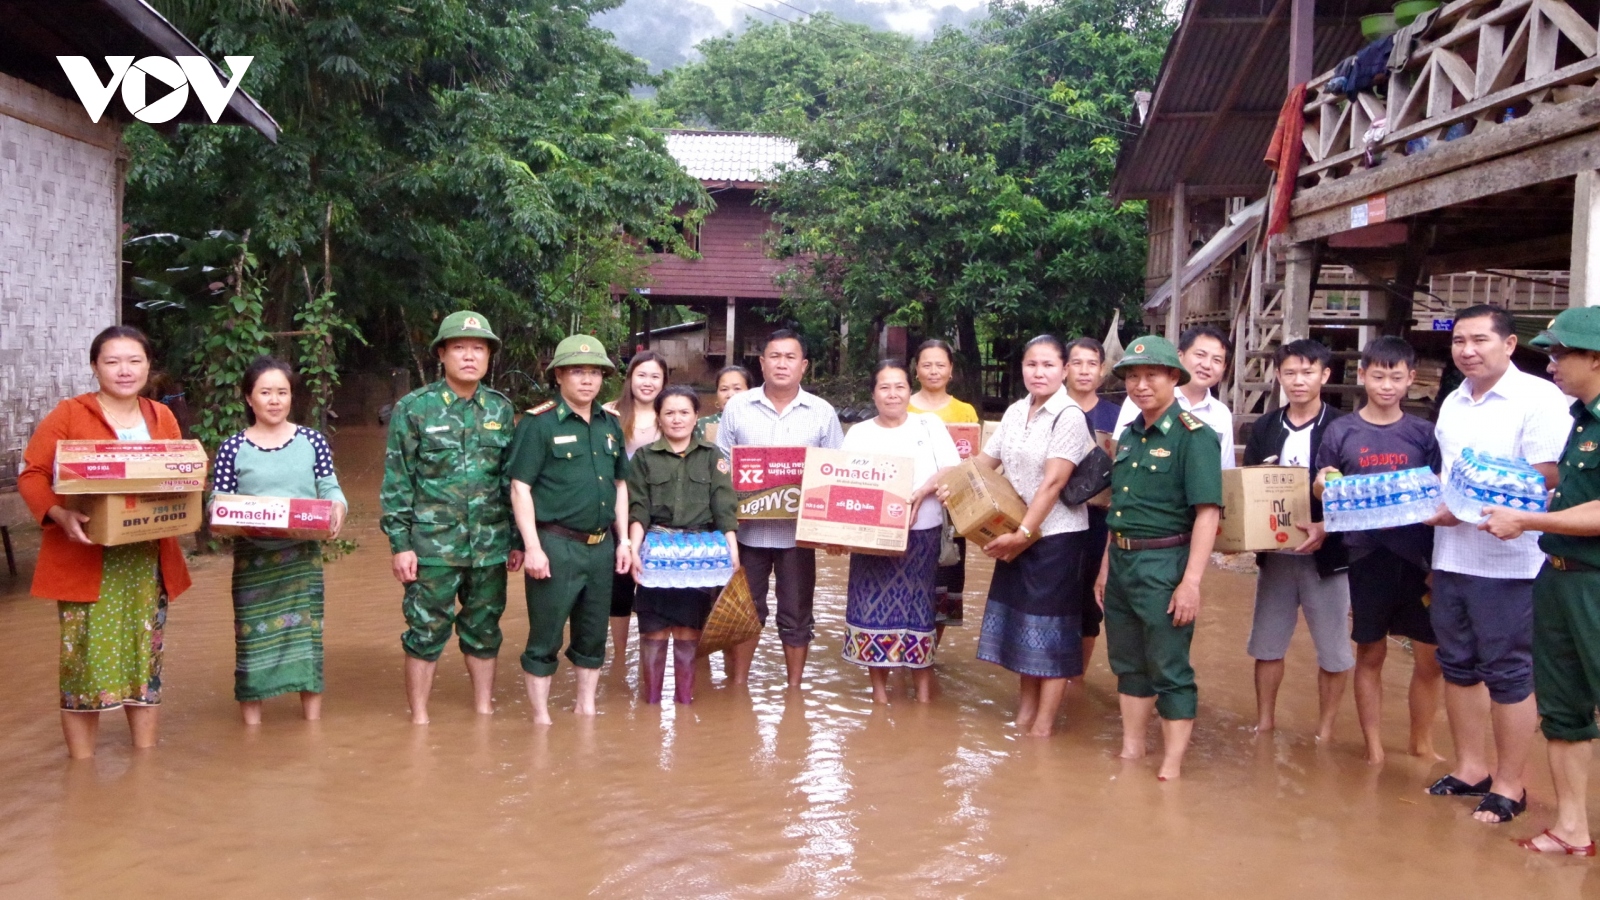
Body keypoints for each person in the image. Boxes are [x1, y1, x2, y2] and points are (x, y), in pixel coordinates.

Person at [1423, 304, 1571, 823]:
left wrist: (1472, 499)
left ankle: (1512, 784)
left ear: (1509, 345)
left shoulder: (1539, 398)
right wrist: (1440, 506)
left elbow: (1548, 474)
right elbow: (1447, 473)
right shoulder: (1454, 402)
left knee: (1509, 671)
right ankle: (1471, 768)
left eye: (1480, 340)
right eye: (1460, 340)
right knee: (1457, 664)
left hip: (1511, 561)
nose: (1467, 350)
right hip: (1453, 555)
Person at [18, 325, 193, 758]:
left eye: (134, 360)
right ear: (95, 366)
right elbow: (32, 473)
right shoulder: (70, 413)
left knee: (144, 662)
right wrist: (58, 513)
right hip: (85, 557)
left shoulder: (161, 417)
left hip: (146, 560)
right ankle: (81, 768)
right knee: (83, 666)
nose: (124, 370)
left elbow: (180, 472)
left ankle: (145, 761)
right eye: (112, 361)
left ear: (149, 366)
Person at [1481, 308, 1600, 855]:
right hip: (1557, 578)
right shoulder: (1580, 417)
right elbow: (1575, 496)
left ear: (1594, 358)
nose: (1550, 364)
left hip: (1594, 583)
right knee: (1563, 710)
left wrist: (1528, 520)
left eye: (1560, 354)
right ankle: (1572, 828)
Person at [380, 311, 522, 725]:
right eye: (459, 347)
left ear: (489, 357)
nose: (469, 356)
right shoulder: (414, 409)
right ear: (441, 354)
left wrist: (515, 539)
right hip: (431, 548)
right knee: (425, 632)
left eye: (478, 348)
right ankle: (420, 718)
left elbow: (509, 482)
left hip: (490, 546)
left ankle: (483, 710)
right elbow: (397, 482)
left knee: (485, 630)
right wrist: (400, 545)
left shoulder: (500, 408)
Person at [1094, 335, 1222, 780]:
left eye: (1151, 375)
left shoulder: (1196, 438)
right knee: (1128, 662)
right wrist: (1105, 569)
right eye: (1132, 376)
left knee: (1169, 665)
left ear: (1173, 377)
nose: (1140, 385)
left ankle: (1171, 763)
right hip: (1123, 563)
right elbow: (1119, 510)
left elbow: (1207, 514)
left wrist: (1191, 582)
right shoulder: (1127, 437)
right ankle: (1132, 748)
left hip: (1166, 563)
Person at [955, 335, 1095, 737]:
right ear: (1022, 369)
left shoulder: (1068, 415)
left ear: (1064, 369)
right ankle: (1025, 715)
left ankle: (1043, 727)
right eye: (1032, 364)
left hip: (1056, 540)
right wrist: (947, 485)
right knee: (1023, 629)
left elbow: (1053, 484)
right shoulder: (1017, 411)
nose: (1039, 372)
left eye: (1049, 365)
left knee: (1052, 633)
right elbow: (983, 464)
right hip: (1017, 532)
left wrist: (1023, 533)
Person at [1313, 335, 1444, 765]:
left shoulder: (1424, 433)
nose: (1386, 385)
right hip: (1366, 555)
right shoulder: (1341, 430)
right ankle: (1373, 748)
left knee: (1432, 658)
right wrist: (1323, 482)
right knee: (1370, 651)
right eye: (1378, 375)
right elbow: (1322, 484)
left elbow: (1439, 494)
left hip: (1417, 557)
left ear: (1410, 379)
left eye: (1396, 377)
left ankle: (1421, 742)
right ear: (1363, 376)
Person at [211, 357, 348, 725]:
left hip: (301, 557)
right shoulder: (232, 448)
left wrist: (337, 506)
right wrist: (232, 518)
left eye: (282, 392)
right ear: (248, 398)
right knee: (252, 642)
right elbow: (218, 502)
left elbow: (329, 485)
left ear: (291, 397)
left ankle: (312, 723)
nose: (274, 400)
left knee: (307, 638)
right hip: (252, 560)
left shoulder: (312, 441)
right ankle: (252, 727)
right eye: (265, 392)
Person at [509, 334, 631, 723]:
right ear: (558, 375)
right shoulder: (538, 423)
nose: (587, 380)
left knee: (593, 634)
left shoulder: (611, 424)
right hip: (555, 543)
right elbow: (519, 487)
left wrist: (624, 540)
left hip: (601, 547)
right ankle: (541, 717)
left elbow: (620, 486)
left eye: (595, 372)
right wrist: (532, 547)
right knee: (545, 634)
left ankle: (586, 706)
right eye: (578, 371)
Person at [715, 329, 845, 688]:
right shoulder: (737, 408)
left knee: (797, 613)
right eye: (775, 356)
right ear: (762, 363)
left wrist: (833, 532)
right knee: (744, 611)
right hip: (747, 534)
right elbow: (721, 468)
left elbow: (837, 475)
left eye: (790, 357)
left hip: (798, 538)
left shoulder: (822, 413)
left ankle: (794, 690)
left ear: (803, 366)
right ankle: (738, 685)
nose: (782, 364)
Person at [1241, 339, 1353, 743]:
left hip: (1328, 554)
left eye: (1308, 372)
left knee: (1334, 649)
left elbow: (1353, 493)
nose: (1298, 380)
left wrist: (1327, 527)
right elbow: (1249, 486)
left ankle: (1325, 730)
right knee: (1267, 643)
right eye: (1290, 372)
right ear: (1279, 376)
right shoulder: (1266, 427)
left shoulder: (1342, 427)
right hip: (1277, 554)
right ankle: (1265, 722)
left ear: (1325, 375)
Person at [840, 361, 961, 702]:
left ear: (910, 391)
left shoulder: (929, 425)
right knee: (871, 609)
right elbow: (843, 487)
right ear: (873, 393)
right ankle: (879, 695)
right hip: (871, 540)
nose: (892, 394)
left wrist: (924, 490)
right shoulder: (859, 433)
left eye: (899, 387)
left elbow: (952, 467)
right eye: (884, 387)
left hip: (922, 533)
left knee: (919, 611)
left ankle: (923, 694)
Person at [627, 385, 740, 704]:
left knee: (690, 631)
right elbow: (638, 509)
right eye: (669, 413)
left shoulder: (712, 457)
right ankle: (650, 705)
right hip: (656, 555)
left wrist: (733, 551)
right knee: (653, 631)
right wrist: (634, 550)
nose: (677, 419)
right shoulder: (644, 458)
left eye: (684, 412)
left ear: (696, 417)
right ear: (659, 418)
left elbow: (724, 507)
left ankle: (685, 703)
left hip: (699, 558)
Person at [908, 339, 980, 646]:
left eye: (940, 365)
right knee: (909, 578)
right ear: (916, 370)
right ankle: (906, 645)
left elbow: (974, 463)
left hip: (953, 511)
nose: (933, 371)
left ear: (951, 370)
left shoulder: (965, 412)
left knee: (947, 581)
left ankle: (929, 651)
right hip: (911, 508)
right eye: (927, 364)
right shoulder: (903, 405)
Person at [602, 351, 666, 663]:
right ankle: (618, 657)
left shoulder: (669, 415)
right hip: (616, 511)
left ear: (664, 382)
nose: (648, 382)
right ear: (630, 378)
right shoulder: (609, 413)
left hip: (658, 513)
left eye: (655, 376)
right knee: (620, 585)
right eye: (642, 375)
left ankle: (648, 657)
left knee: (654, 586)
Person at [1065, 336, 1121, 669]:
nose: (1084, 371)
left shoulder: (1117, 416)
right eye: (1077, 363)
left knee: (1090, 599)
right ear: (1065, 369)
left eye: (1092, 364)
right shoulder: (1050, 408)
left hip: (1099, 520)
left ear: (1102, 371)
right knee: (1052, 595)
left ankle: (1077, 677)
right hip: (1054, 516)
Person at [1112, 324, 1237, 469]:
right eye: (1200, 355)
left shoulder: (1221, 414)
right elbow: (1119, 453)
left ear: (1224, 368)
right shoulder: (1144, 397)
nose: (1207, 365)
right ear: (1180, 356)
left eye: (1217, 360)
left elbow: (1225, 469)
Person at [696, 364, 752, 445]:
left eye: (737, 389)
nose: (730, 395)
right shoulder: (701, 425)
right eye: (724, 389)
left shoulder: (760, 423)